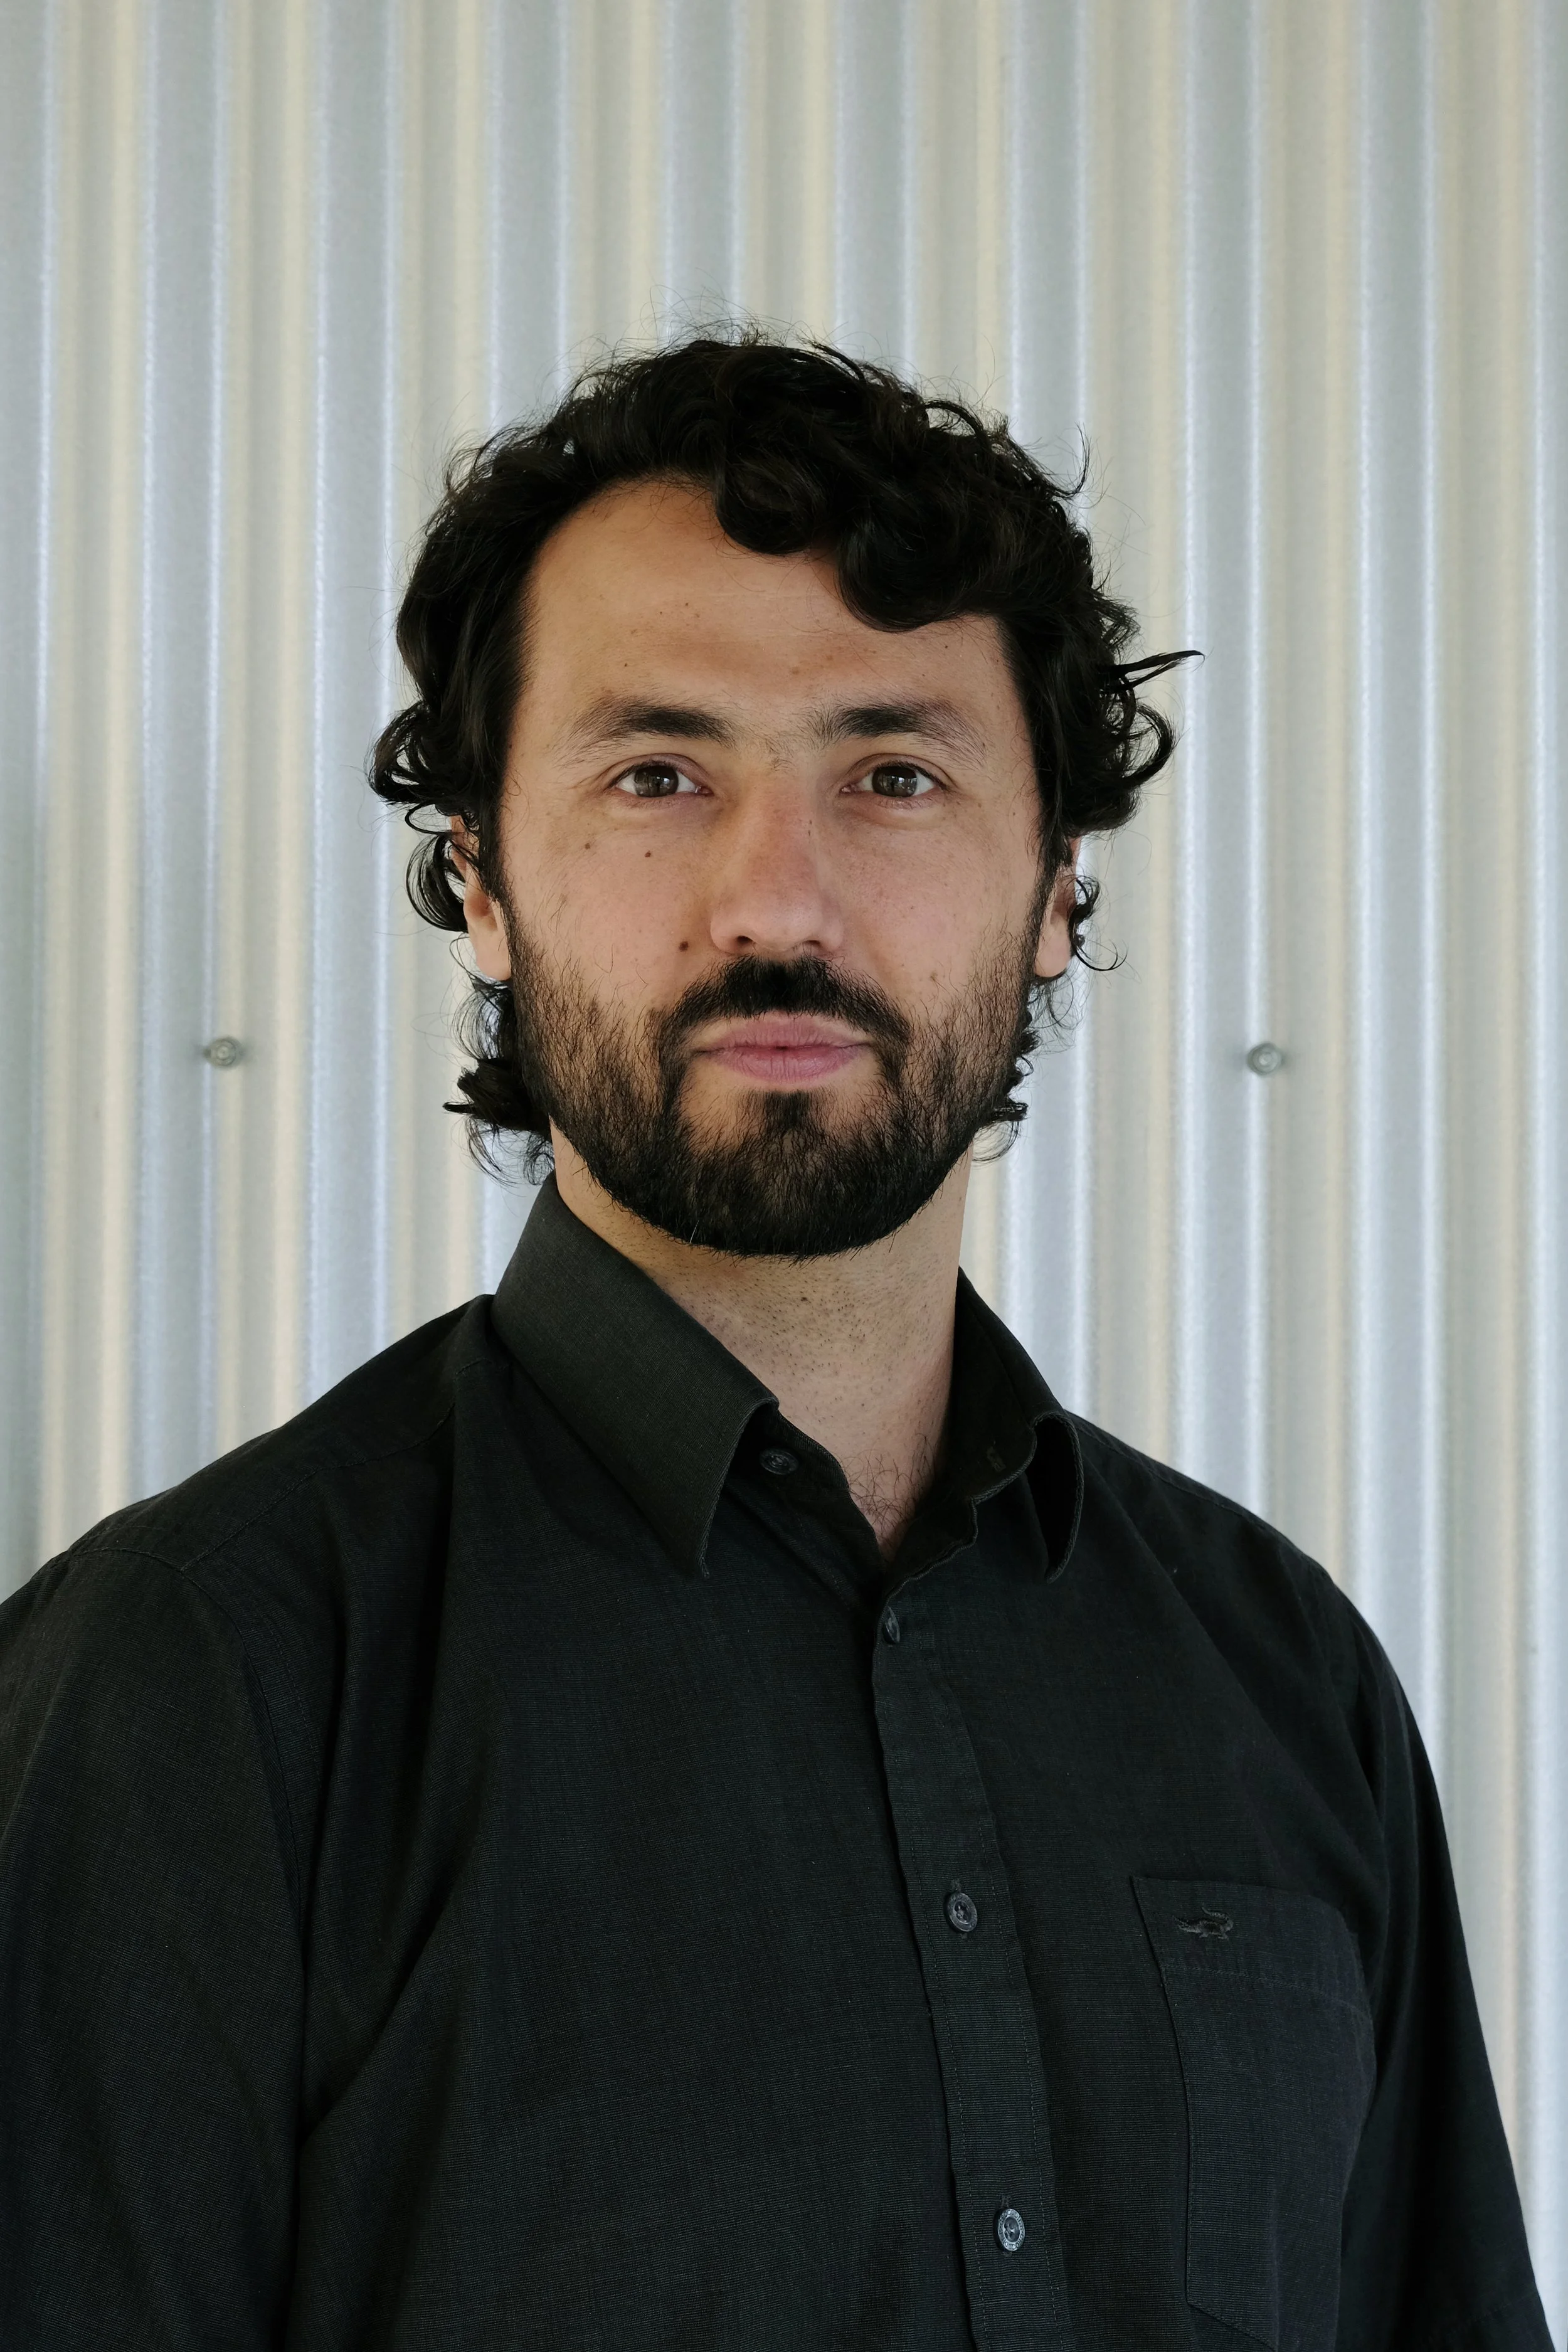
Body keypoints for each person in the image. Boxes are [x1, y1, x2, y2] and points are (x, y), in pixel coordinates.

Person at [0, 332, 1549, 2352]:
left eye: (891, 772)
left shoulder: (1282, 1673)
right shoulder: (188, 1674)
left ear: (1056, 891)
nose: (775, 895)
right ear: (477, 876)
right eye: (659, 771)